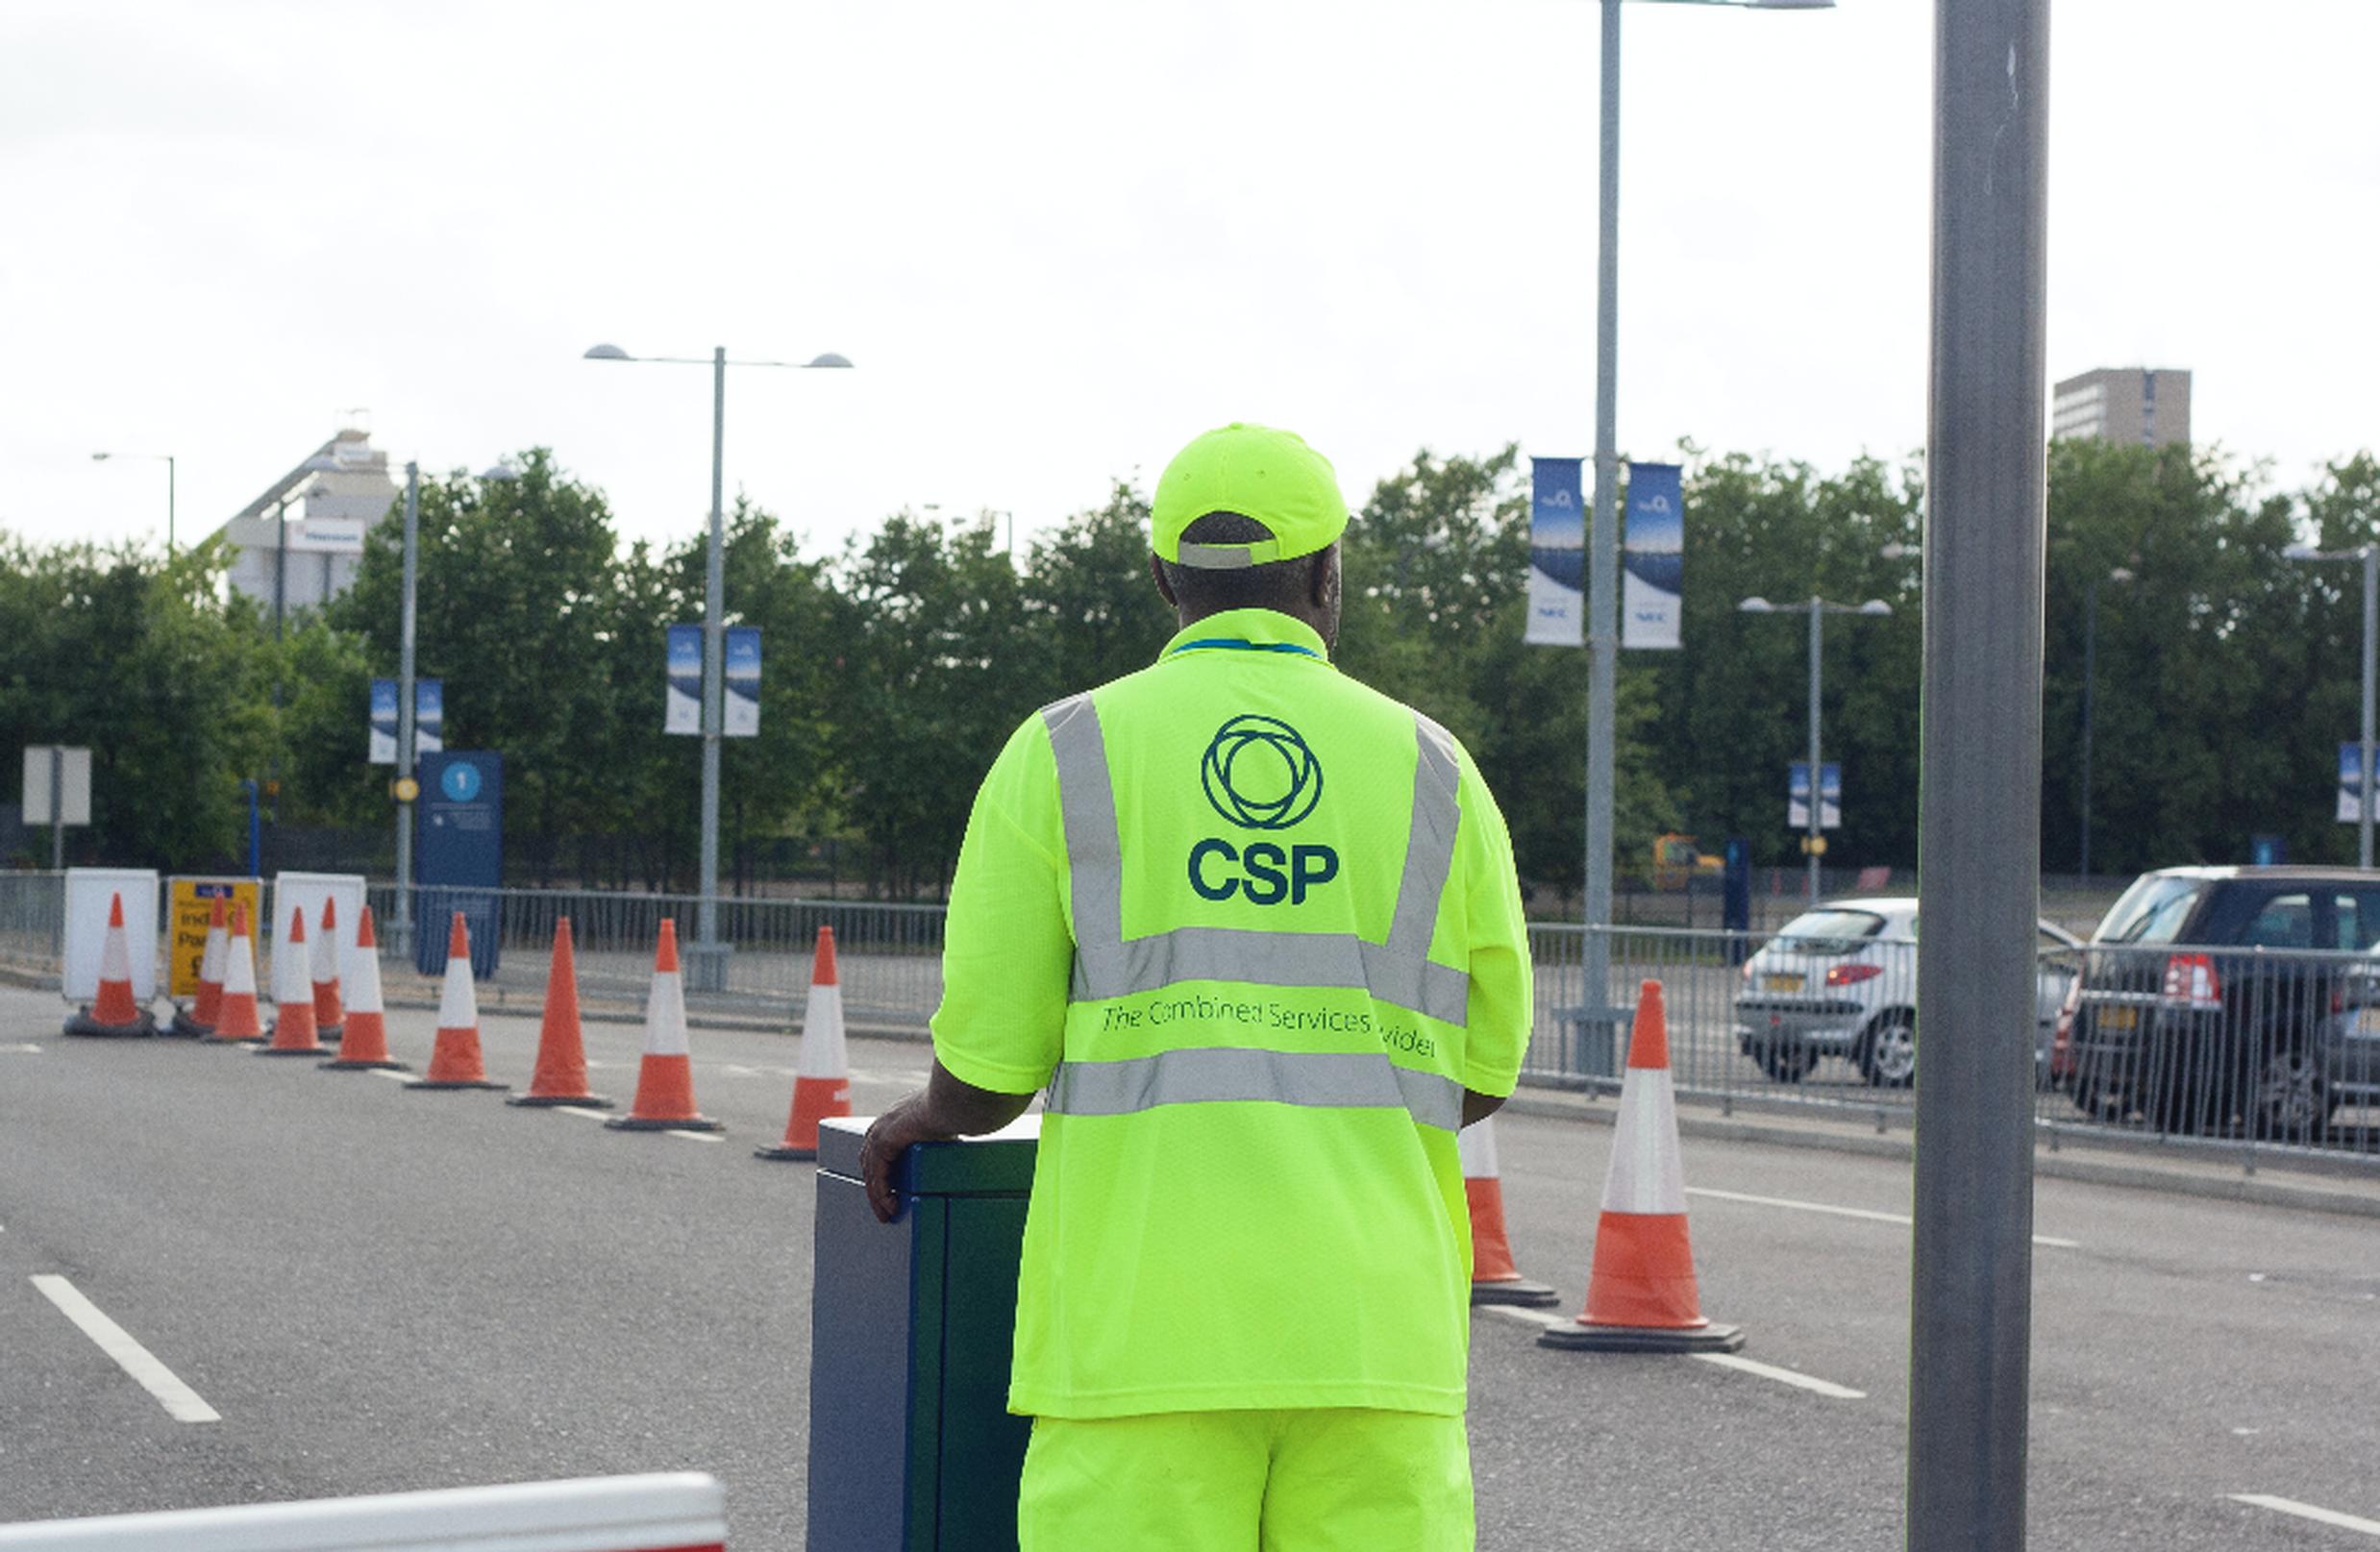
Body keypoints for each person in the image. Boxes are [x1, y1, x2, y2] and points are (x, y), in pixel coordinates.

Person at [860, 421, 1533, 1550]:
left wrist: (914, 1121)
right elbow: (1481, 1073)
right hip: (1375, 1343)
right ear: (1329, 574)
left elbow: (987, 1076)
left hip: (1140, 1344)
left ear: (1165, 577)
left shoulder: (1064, 750)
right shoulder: (1435, 768)